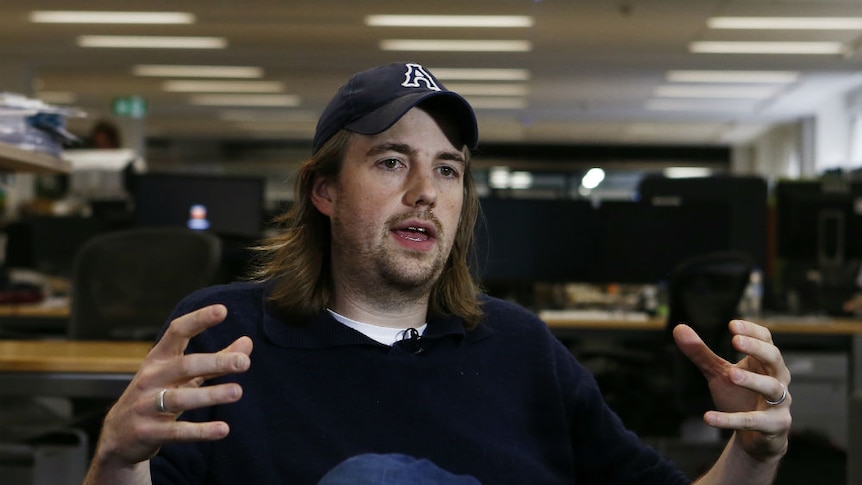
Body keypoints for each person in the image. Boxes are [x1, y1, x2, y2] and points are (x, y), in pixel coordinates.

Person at [83, 62, 791, 484]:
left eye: (447, 169)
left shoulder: (523, 351)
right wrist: (115, 460)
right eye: (393, 161)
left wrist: (752, 450)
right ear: (324, 192)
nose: (426, 189)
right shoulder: (228, 341)